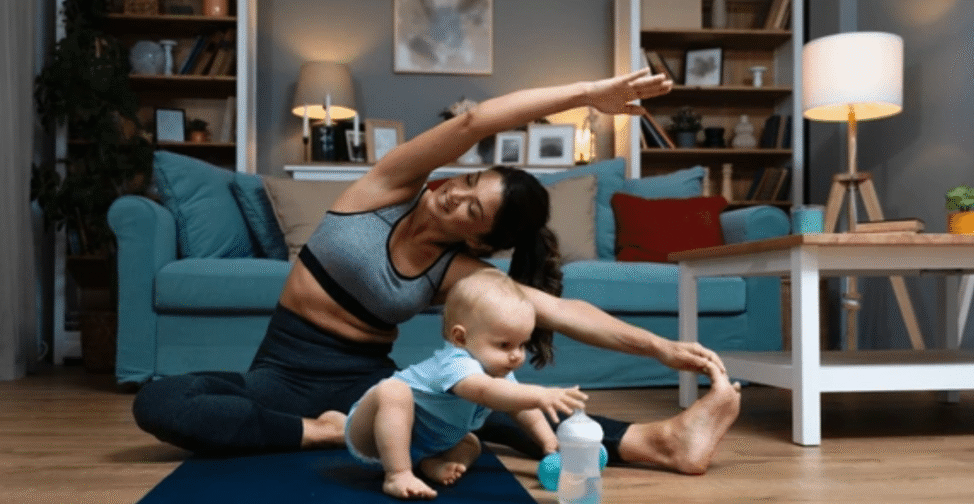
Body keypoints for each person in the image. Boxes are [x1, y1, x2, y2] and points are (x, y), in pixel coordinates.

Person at [132, 68, 741, 475]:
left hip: (368, 387)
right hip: (278, 375)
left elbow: (560, 310)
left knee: (490, 406)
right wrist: (586, 94)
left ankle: (657, 442)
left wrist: (663, 348)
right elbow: (475, 124)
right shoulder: (384, 189)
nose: (455, 193)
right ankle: (322, 433)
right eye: (469, 181)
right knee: (160, 403)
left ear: (480, 238)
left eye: (472, 208)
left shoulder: (458, 271)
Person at [346, 268, 588, 499]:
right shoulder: (456, 362)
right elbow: (485, 391)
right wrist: (540, 394)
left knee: (470, 444)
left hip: (426, 445)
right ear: (460, 338)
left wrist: (548, 441)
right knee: (393, 390)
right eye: (504, 345)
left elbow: (524, 410)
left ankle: (431, 464)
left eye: (522, 344)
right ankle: (398, 475)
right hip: (372, 436)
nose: (516, 355)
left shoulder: (499, 372)